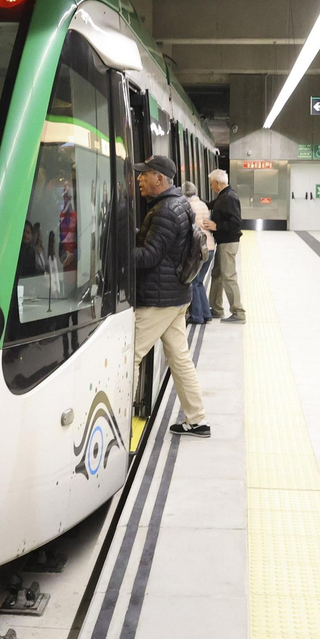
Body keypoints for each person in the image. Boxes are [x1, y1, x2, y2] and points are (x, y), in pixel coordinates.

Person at [132, 155, 209, 437]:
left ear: (160, 179)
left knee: (131, 356)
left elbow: (150, 256)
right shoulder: (178, 204)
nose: (140, 179)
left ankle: (118, 420)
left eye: (145, 174)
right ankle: (197, 419)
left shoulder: (165, 210)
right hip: (177, 295)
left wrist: (115, 253)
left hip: (159, 299)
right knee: (179, 358)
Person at [205, 169, 244, 323]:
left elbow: (236, 223)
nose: (211, 187)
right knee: (217, 275)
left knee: (228, 277)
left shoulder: (229, 197)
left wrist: (217, 226)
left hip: (229, 242)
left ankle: (238, 312)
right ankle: (216, 308)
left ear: (218, 183)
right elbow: (209, 204)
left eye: (211, 184)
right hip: (223, 242)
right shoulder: (223, 196)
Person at [183, 180, 216, 325]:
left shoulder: (189, 206)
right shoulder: (202, 204)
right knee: (199, 282)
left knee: (194, 282)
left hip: (198, 248)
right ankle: (206, 313)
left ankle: (197, 315)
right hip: (209, 247)